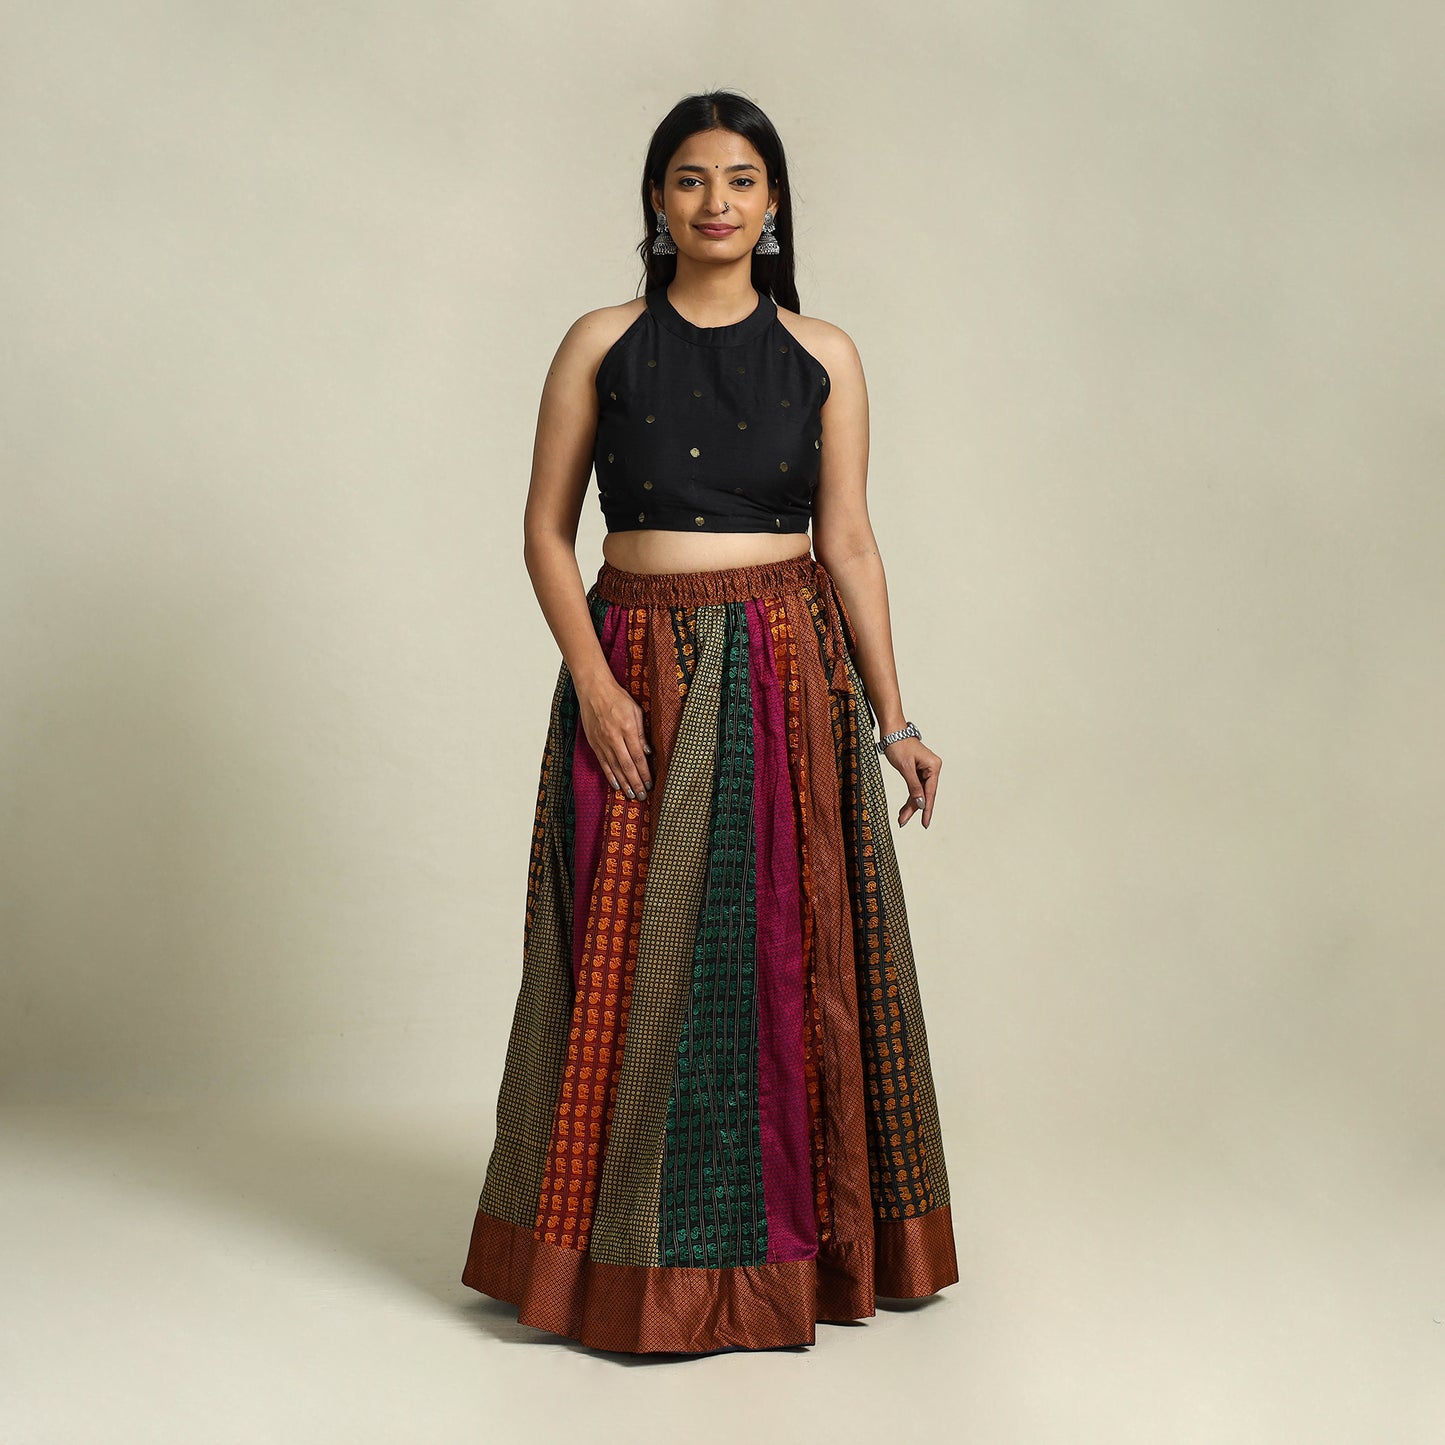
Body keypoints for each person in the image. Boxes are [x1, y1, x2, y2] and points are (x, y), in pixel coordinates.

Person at [461, 90, 958, 1355]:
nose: (716, 201)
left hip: (787, 666)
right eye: (690, 179)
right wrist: (593, 680)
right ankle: (617, 1253)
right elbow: (543, 531)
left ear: (773, 201)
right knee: (622, 962)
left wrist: (895, 718)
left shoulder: (823, 351)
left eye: (740, 179)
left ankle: (788, 1251)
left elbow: (848, 541)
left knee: (783, 955)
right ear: (656, 198)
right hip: (632, 658)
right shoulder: (600, 341)